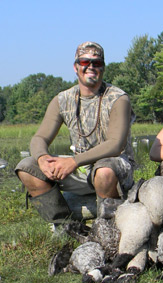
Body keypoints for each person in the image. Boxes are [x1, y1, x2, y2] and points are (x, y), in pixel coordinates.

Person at [15, 41, 135, 225]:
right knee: (26, 167)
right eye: (85, 62)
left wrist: (73, 161)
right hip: (81, 169)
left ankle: (108, 225)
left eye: (97, 63)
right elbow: (39, 138)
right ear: (76, 66)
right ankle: (64, 225)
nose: (91, 67)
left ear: (103, 67)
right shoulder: (63, 99)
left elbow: (115, 144)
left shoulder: (118, 98)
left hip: (115, 166)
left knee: (103, 171)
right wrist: (42, 158)